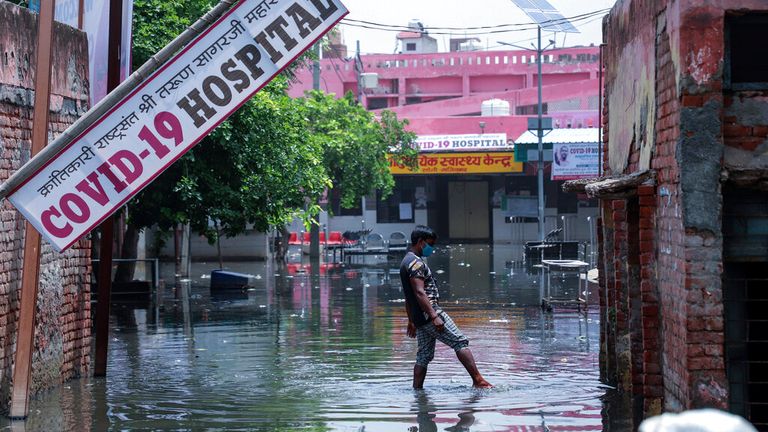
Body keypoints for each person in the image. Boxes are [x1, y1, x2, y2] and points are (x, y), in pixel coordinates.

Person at [399, 225, 492, 389]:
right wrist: (434, 316)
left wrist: (411, 320)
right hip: (429, 313)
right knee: (460, 342)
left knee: (423, 355)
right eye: (429, 244)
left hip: (419, 317)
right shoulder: (415, 263)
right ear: (420, 242)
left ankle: (417, 391)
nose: (431, 248)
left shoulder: (406, 261)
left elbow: (409, 296)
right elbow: (420, 293)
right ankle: (478, 381)